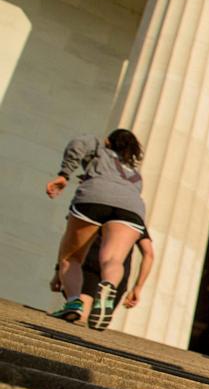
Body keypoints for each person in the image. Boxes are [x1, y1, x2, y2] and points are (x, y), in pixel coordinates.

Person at [46, 130, 147, 329]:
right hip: (132, 207)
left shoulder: (99, 148)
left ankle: (74, 302)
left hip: (94, 197)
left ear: (108, 141)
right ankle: (108, 288)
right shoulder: (135, 175)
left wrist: (65, 174)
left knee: (71, 257)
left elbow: (78, 143)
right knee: (113, 259)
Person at [64, 227, 156, 327]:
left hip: (91, 260)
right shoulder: (136, 221)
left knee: (81, 314)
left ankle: (79, 313)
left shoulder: (95, 211)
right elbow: (149, 254)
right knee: (97, 319)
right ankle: (105, 295)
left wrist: (62, 270)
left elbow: (74, 239)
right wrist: (137, 288)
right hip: (118, 272)